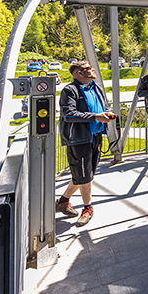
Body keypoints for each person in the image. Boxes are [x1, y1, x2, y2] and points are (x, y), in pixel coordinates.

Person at [56, 60, 114, 227]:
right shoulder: (70, 90)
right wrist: (96, 117)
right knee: (84, 175)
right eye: (88, 68)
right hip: (79, 139)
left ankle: (63, 201)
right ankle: (88, 208)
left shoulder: (96, 87)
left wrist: (108, 115)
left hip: (95, 137)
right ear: (78, 73)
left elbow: (103, 106)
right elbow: (69, 114)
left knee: (85, 175)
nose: (92, 70)